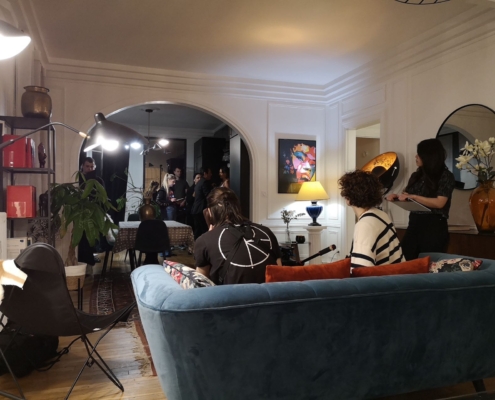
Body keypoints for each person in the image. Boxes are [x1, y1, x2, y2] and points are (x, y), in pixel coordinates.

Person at [386, 138, 455, 261]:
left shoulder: (446, 176)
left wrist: (414, 197)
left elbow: (440, 203)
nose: (416, 156)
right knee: (405, 261)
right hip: (414, 223)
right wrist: (397, 197)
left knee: (429, 263)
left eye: (419, 154)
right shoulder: (416, 175)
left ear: (429, 157)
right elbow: (408, 196)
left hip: (434, 226)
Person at [195, 187, 282, 285]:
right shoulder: (267, 232)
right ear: (237, 207)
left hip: (231, 295)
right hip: (271, 294)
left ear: (210, 212)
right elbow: (279, 272)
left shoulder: (204, 240)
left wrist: (209, 237)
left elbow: (201, 284)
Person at [339, 170, 404, 268]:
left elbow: (360, 270)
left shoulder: (365, 225)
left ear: (348, 198)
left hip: (384, 277)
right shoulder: (381, 214)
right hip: (397, 275)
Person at [191, 166, 213, 239]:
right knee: (203, 231)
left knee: (198, 231)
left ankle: (195, 245)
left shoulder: (199, 183)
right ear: (205, 173)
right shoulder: (204, 182)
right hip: (201, 210)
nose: (211, 174)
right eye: (209, 173)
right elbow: (208, 196)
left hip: (196, 209)